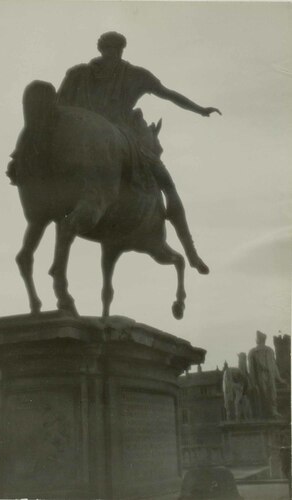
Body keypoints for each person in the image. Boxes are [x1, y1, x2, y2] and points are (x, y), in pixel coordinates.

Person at [57, 31, 222, 274]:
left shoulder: (80, 73)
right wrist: (199, 110)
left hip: (81, 134)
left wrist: (199, 110)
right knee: (168, 186)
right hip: (122, 137)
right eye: (110, 48)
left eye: (114, 49)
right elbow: (168, 94)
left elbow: (58, 108)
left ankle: (22, 161)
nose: (112, 53)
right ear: (107, 49)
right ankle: (191, 254)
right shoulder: (126, 75)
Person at [248, 331, 286, 418]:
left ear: (258, 340)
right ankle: (265, 413)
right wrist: (253, 383)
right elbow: (251, 369)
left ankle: (273, 411)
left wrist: (279, 378)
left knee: (272, 392)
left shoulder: (270, 351)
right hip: (260, 375)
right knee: (263, 393)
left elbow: (274, 365)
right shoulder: (253, 352)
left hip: (270, 375)